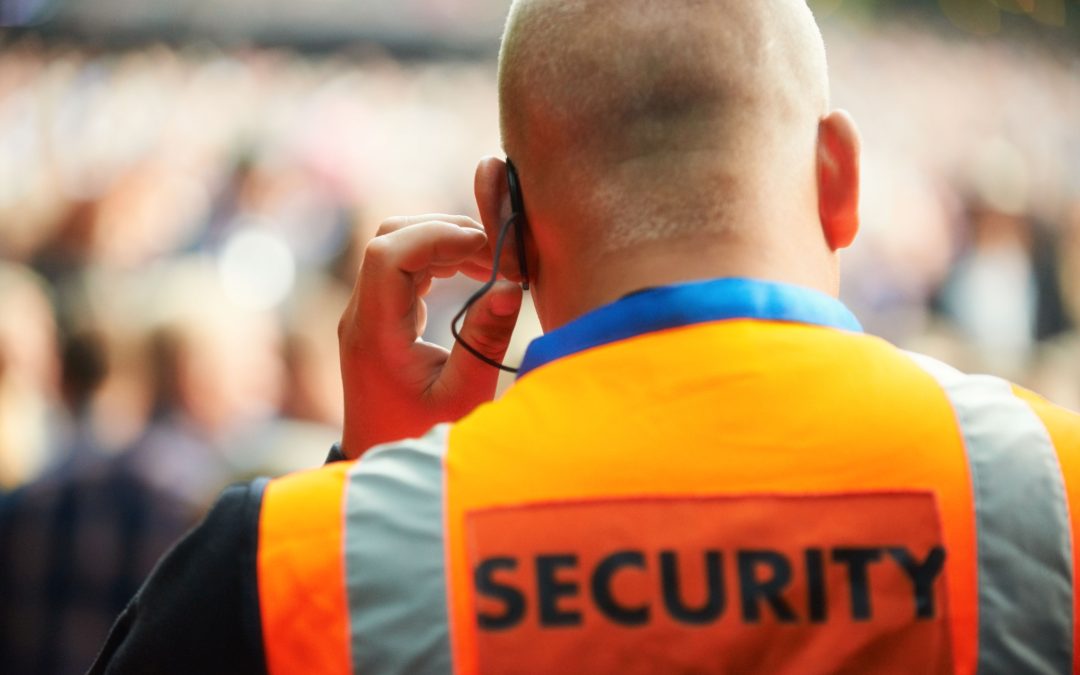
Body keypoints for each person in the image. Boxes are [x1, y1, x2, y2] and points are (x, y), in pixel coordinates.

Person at [90, 1, 1080, 673]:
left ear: (501, 212)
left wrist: (374, 474)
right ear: (839, 176)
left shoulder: (291, 565)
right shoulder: (1056, 493)